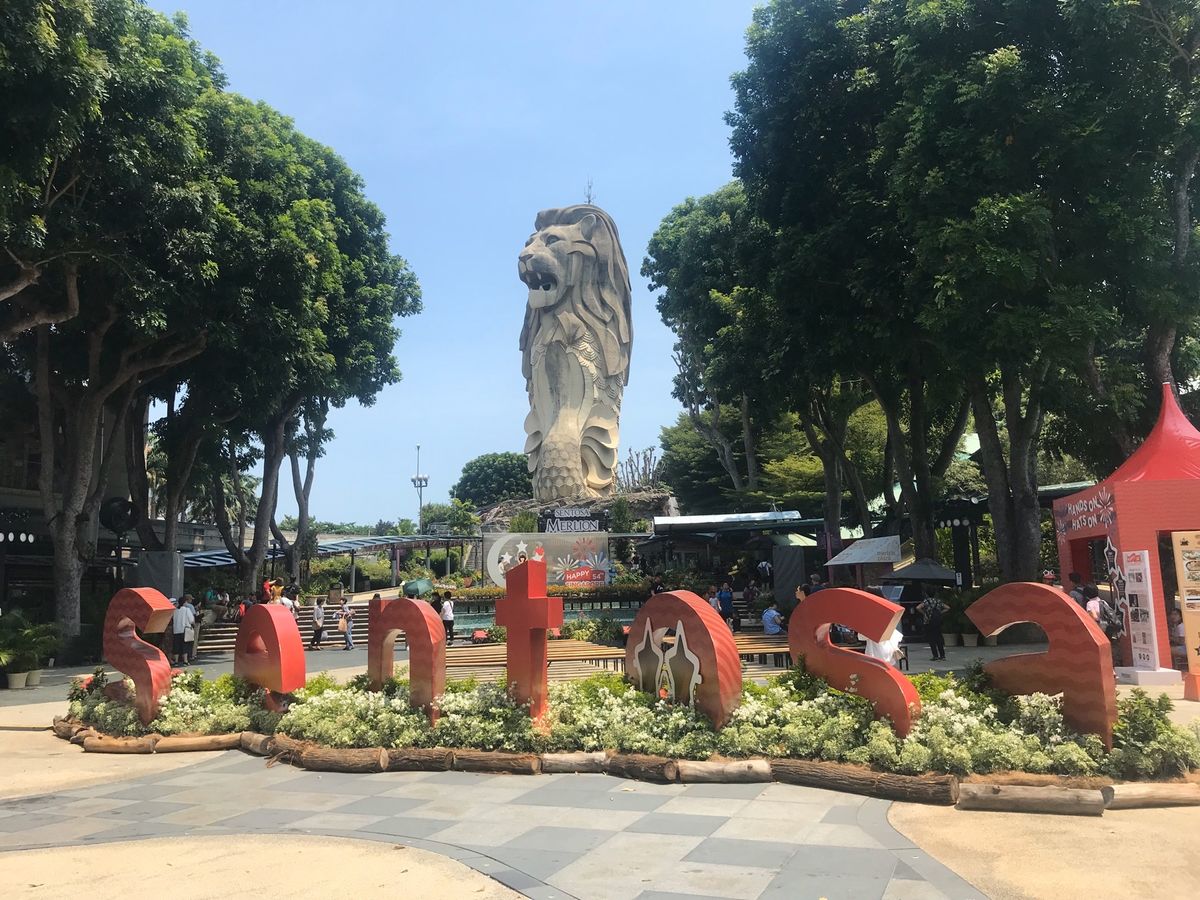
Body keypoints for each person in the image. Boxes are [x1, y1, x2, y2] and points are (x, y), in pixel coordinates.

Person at [920, 592, 948, 662]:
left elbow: (918, 607)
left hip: (928, 622)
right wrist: (940, 613)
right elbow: (947, 607)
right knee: (939, 638)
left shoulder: (926, 601)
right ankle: (942, 655)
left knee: (931, 639)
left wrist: (925, 613)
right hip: (937, 622)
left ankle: (935, 656)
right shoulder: (938, 601)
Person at [172, 594, 196, 666]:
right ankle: (185, 661)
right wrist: (193, 625)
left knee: (176, 646)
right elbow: (191, 620)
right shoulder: (187, 610)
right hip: (185, 630)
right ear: (185, 602)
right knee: (185, 645)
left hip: (176, 630)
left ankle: (176, 661)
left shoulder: (175, 611)